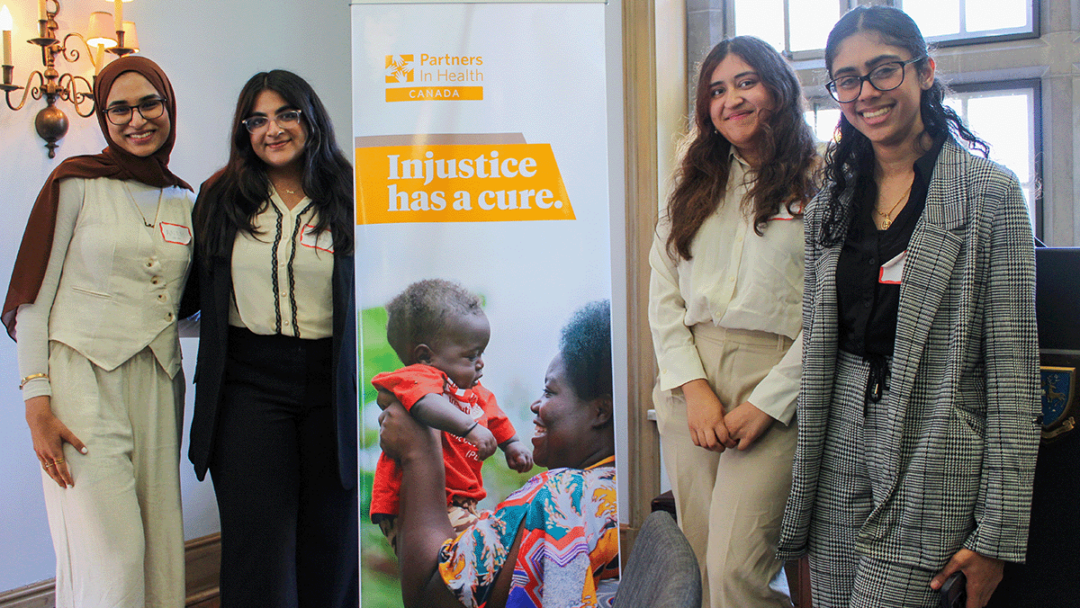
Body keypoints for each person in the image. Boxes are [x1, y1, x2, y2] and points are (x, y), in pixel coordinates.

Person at [777, 6, 1041, 608]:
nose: (866, 92)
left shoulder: (990, 195)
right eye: (847, 79)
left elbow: (1013, 380)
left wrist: (996, 535)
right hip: (838, 444)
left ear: (925, 72)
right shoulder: (832, 203)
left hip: (935, 448)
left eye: (884, 71)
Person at [3, 56, 193, 608]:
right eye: (119, 108)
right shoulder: (76, 182)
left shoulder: (185, 198)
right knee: (113, 554)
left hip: (159, 384)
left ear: (168, 107)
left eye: (149, 104)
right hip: (80, 382)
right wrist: (36, 401)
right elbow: (33, 300)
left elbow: (185, 305)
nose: (137, 119)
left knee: (160, 549)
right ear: (103, 116)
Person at [647, 36, 817, 608]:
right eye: (716, 90)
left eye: (746, 82)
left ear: (779, 89)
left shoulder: (824, 182)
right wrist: (693, 390)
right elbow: (663, 291)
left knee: (735, 572)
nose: (731, 100)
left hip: (776, 379)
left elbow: (831, 309)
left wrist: (768, 402)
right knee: (699, 567)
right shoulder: (691, 181)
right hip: (689, 381)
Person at [185, 70, 358, 608]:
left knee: (330, 539)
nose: (272, 129)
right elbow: (185, 289)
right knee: (259, 543)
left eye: (286, 114)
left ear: (311, 119)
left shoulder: (353, 193)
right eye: (256, 120)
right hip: (248, 384)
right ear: (244, 132)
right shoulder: (220, 196)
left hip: (332, 382)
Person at [378, 300, 618, 608]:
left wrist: (418, 451)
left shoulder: (559, 496)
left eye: (550, 391)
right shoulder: (621, 496)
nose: (535, 405)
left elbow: (432, 599)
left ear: (601, 411)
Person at [370, 279, 533, 549]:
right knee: (480, 551)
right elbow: (424, 403)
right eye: (471, 356)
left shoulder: (474, 392)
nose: (481, 363)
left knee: (486, 547)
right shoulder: (417, 378)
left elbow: (495, 417)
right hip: (414, 502)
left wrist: (512, 445)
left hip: (459, 503)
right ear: (425, 357)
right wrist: (470, 428)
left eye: (482, 353)